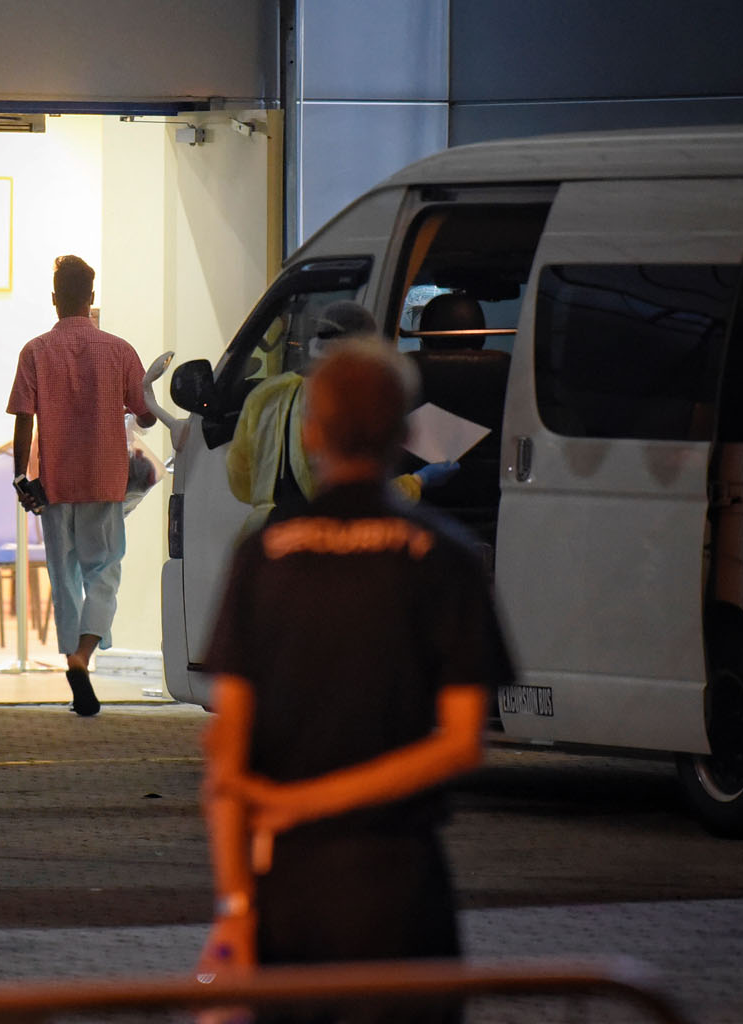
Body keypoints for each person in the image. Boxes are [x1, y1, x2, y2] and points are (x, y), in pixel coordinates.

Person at [198, 338, 515, 1023]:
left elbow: (226, 752)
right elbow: (462, 743)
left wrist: (233, 910)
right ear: (404, 434)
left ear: (312, 433)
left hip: (285, 888)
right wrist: (318, 801)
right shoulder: (445, 557)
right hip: (398, 886)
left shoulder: (265, 557)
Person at [8, 255, 156, 716]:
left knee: (64, 577)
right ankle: (81, 657)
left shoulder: (34, 350)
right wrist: (144, 390)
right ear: (92, 298)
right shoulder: (120, 350)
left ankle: (74, 662)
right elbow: (147, 414)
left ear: (55, 299)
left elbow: (23, 421)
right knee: (104, 574)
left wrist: (20, 477)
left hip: (53, 483)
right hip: (103, 480)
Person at [224, 300, 454, 530]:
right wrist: (418, 481)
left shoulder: (265, 394)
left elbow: (241, 483)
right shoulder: (356, 398)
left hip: (266, 533)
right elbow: (351, 496)